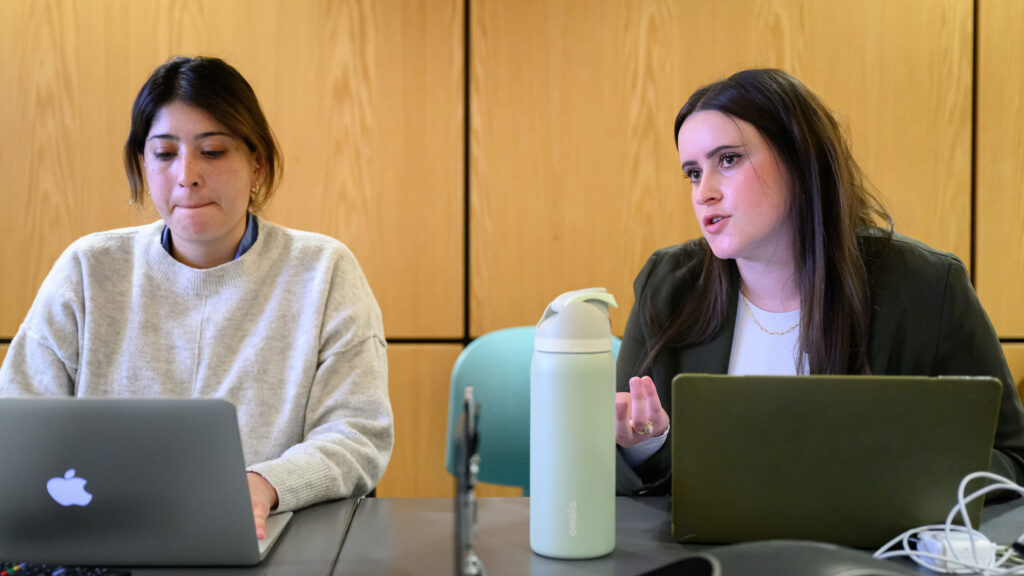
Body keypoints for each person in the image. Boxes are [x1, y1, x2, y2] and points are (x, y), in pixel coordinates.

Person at [0, 56, 394, 536]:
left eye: (212, 152)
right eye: (164, 154)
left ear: (257, 164)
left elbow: (356, 433)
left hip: (273, 535)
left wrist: (264, 484)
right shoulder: (88, 268)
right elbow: (16, 418)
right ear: (143, 166)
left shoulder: (324, 270)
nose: (186, 174)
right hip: (96, 540)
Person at [613, 68, 1024, 496]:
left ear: (800, 158)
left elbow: (1012, 458)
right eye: (693, 173)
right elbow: (617, 466)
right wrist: (647, 443)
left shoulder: (927, 287)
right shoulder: (666, 286)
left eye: (728, 160)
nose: (704, 193)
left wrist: (908, 461)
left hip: (871, 558)